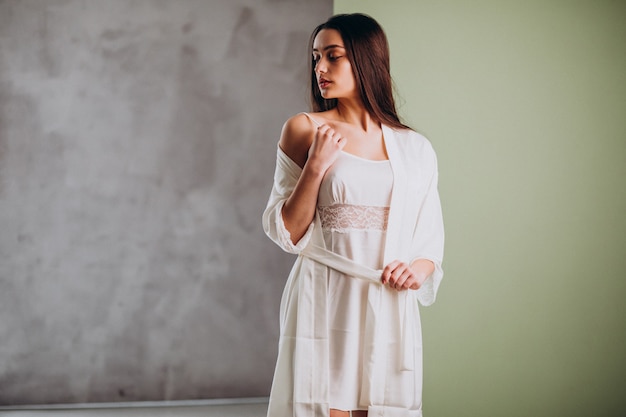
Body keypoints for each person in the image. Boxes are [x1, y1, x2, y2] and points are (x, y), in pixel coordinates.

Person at [262, 13, 444, 417]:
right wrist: (316, 165)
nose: (320, 69)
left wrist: (416, 269)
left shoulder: (415, 148)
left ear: (365, 59)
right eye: (316, 57)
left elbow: (429, 238)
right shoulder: (304, 129)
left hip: (388, 305)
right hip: (323, 298)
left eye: (333, 56)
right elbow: (286, 231)